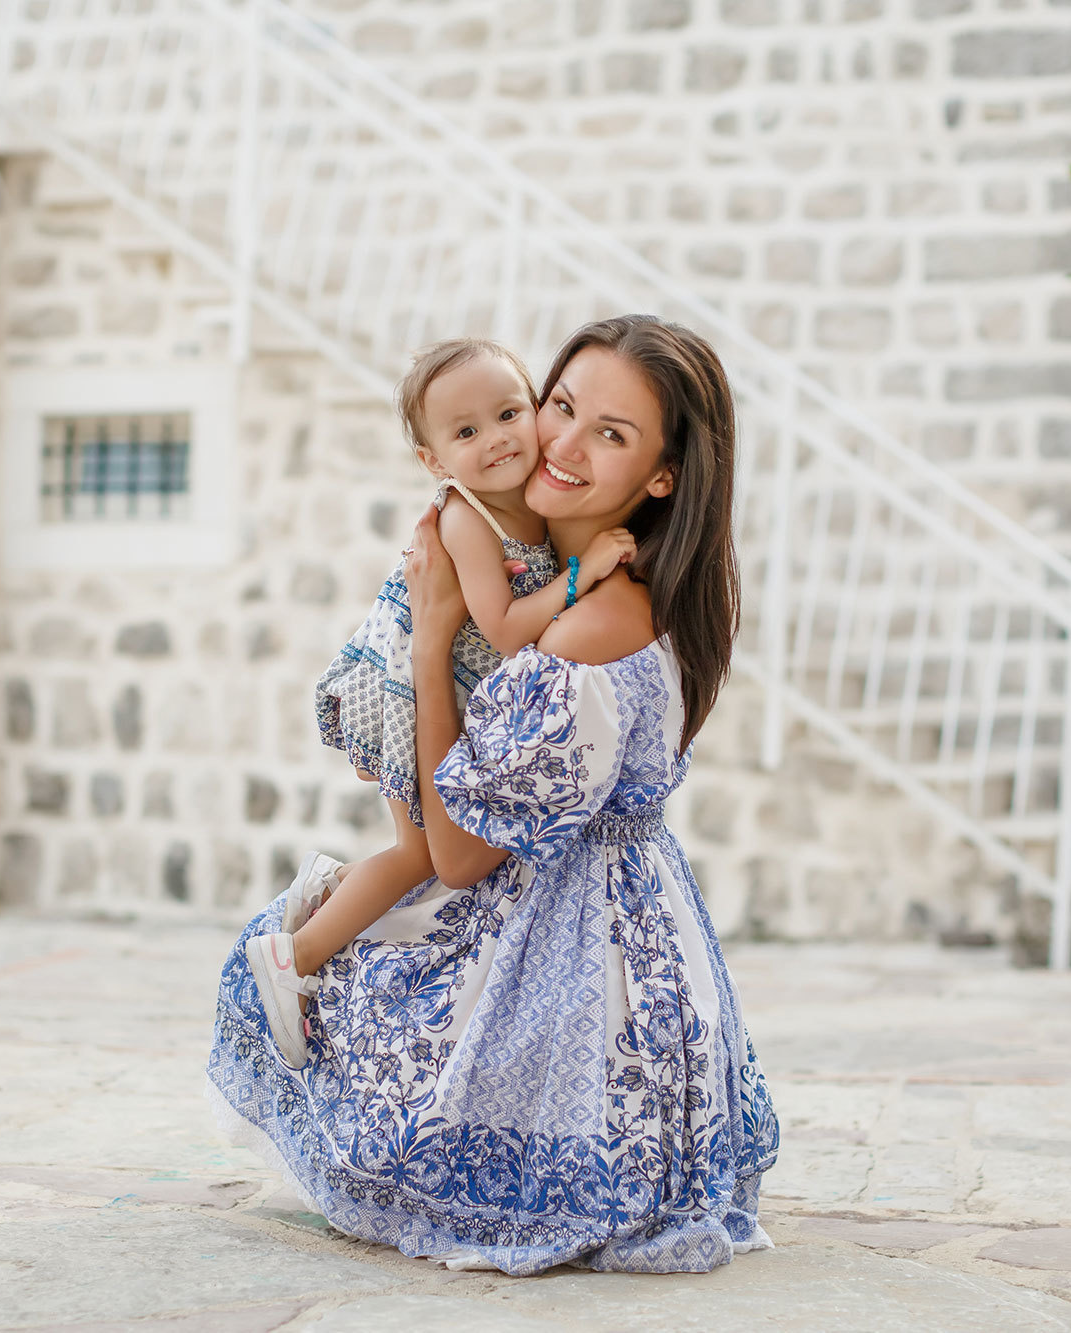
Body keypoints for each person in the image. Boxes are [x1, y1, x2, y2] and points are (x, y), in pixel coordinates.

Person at [209, 315, 780, 1276]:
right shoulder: (580, 574)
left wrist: (432, 642)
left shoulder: (588, 619)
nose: (555, 443)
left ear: (661, 477)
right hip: (633, 929)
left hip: (583, 959)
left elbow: (463, 853)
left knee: (315, 978)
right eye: (563, 407)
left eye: (612, 434)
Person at [244, 338, 637, 1067]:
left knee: (424, 855)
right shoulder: (466, 518)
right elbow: (507, 627)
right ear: (434, 462)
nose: (496, 440)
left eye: (509, 413)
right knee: (418, 852)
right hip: (404, 690)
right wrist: (584, 571)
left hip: (444, 692)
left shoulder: (525, 499)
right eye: (465, 432)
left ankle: (329, 891)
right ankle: (293, 955)